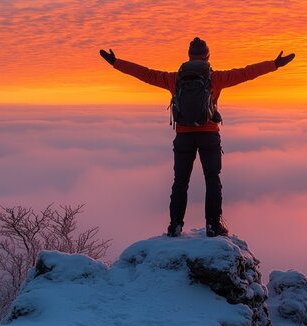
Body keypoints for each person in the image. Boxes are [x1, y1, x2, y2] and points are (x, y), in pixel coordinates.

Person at [99, 38, 295, 237]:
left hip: (183, 136)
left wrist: (116, 63)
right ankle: (213, 225)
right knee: (212, 180)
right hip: (209, 134)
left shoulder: (174, 79)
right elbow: (246, 73)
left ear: (189, 56)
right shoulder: (216, 78)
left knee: (180, 182)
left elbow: (146, 74)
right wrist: (274, 64)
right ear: (208, 56)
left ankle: (175, 225)